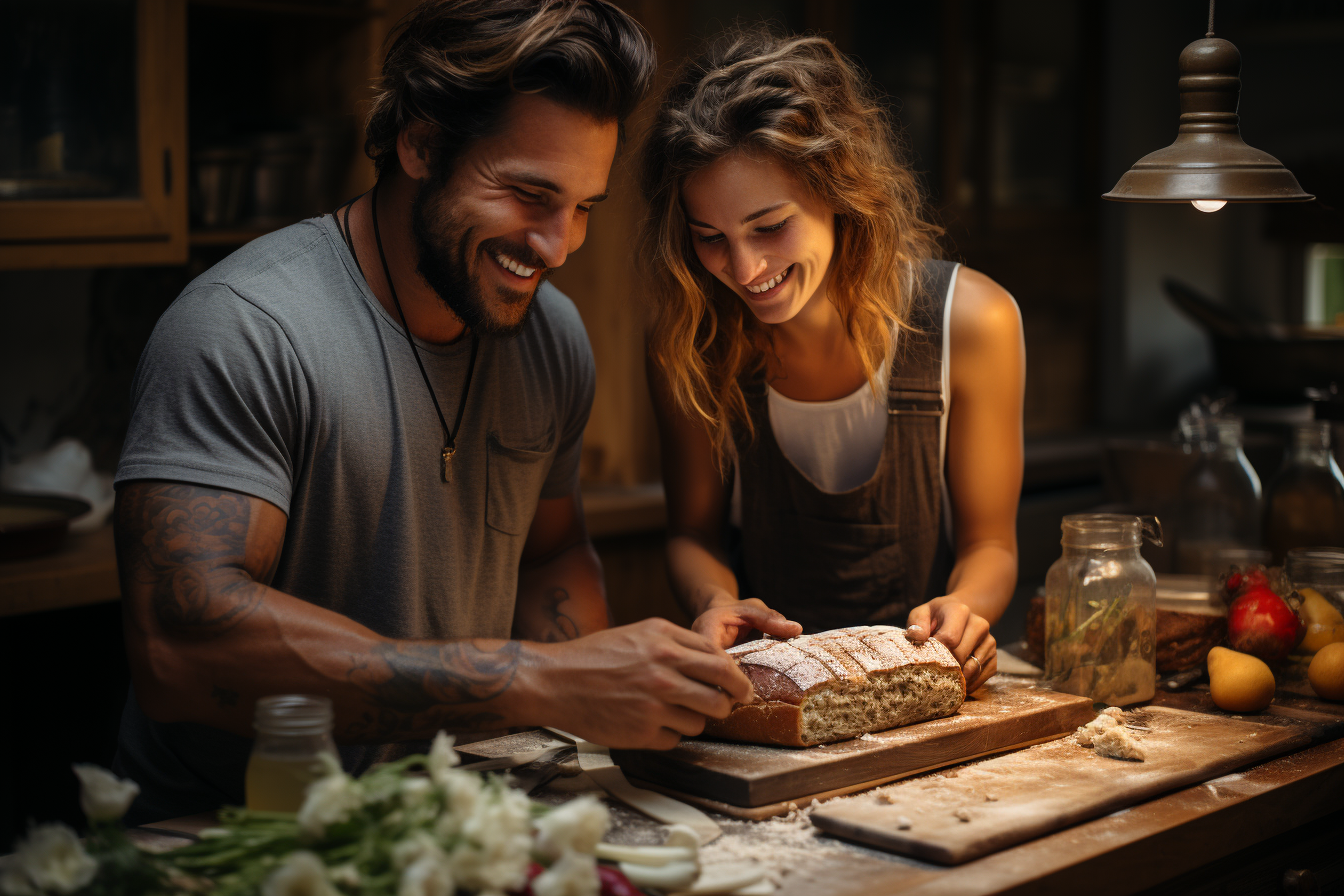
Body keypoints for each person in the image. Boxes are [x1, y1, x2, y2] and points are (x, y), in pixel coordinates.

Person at [112, 0, 753, 825]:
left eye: (584, 207)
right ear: (419, 143)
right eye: (529, 193)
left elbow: (552, 555)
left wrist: (619, 696)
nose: (558, 246)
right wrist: (541, 681)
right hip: (233, 840)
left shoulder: (551, 337)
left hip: (450, 824)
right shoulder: (243, 327)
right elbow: (183, 647)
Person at [641, 29, 1025, 693]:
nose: (744, 268)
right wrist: (713, 603)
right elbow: (692, 535)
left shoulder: (971, 322)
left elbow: (990, 545)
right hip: (765, 692)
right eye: (710, 238)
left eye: (769, 226)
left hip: (922, 687)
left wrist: (965, 612)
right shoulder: (691, 340)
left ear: (841, 188)